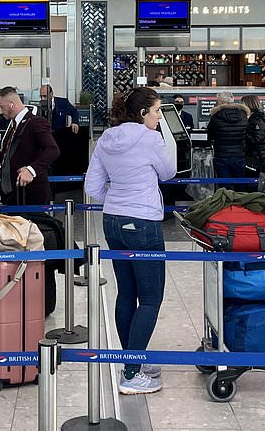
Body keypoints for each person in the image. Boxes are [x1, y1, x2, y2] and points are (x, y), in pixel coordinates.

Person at [85, 88, 176, 395]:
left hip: (112, 221)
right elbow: (169, 172)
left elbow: (93, 186)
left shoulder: (105, 139)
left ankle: (131, 360)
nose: (160, 116)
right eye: (157, 111)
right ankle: (131, 374)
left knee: (127, 293)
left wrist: (119, 196)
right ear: (142, 114)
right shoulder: (151, 139)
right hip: (144, 223)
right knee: (150, 298)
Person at [0, 86, 60, 205]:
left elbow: (53, 150)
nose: (0, 111)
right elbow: (11, 156)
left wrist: (31, 170)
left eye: (2, 107)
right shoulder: (12, 125)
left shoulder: (36, 123)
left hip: (30, 195)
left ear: (12, 104)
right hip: (12, 195)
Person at [206, 92, 249, 180]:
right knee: (240, 184)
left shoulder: (216, 115)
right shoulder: (243, 115)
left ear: (221, 102)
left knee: (225, 185)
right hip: (239, 154)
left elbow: (210, 134)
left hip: (222, 155)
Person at [240, 94, 265, 176]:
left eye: (243, 104)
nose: (242, 107)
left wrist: (243, 133)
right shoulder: (252, 118)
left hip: (258, 157)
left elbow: (258, 138)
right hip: (255, 155)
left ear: (249, 104)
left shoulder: (258, 119)